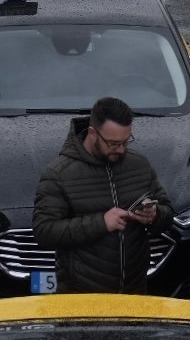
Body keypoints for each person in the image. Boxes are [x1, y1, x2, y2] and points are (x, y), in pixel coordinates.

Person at [32, 97, 173, 295]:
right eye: (113, 143)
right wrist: (101, 223)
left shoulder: (139, 164)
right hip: (82, 296)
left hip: (135, 292)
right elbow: (44, 231)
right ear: (92, 133)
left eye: (126, 141)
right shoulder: (59, 173)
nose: (121, 149)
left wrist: (155, 216)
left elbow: (168, 215)